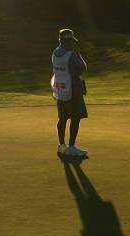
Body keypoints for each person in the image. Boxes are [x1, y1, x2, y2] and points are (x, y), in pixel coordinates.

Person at [51, 29, 88, 157]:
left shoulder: (55, 52)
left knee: (62, 118)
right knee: (76, 117)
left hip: (60, 89)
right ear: (68, 41)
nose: (73, 43)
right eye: (71, 41)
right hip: (73, 88)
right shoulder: (71, 54)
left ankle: (61, 145)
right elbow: (83, 68)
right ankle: (71, 147)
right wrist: (78, 53)